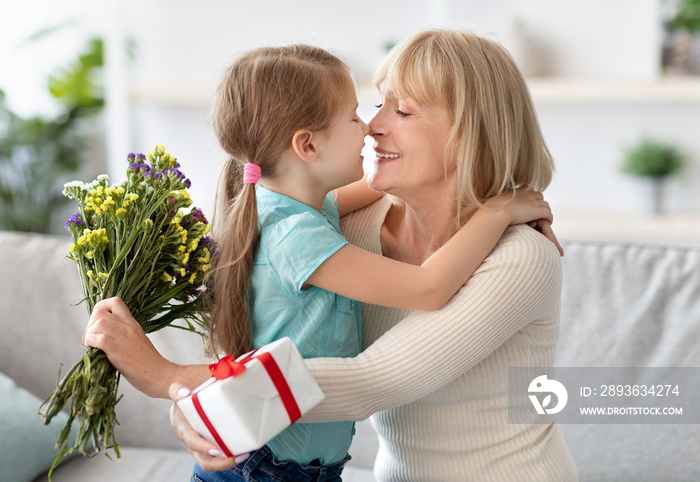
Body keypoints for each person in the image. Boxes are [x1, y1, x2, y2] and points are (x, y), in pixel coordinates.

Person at [84, 42, 559, 481]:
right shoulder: (340, 225)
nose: (372, 125)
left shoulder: (521, 257)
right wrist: (192, 400)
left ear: (469, 133)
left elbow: (375, 379)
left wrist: (177, 382)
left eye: (403, 109)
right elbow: (256, 323)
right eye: (373, 106)